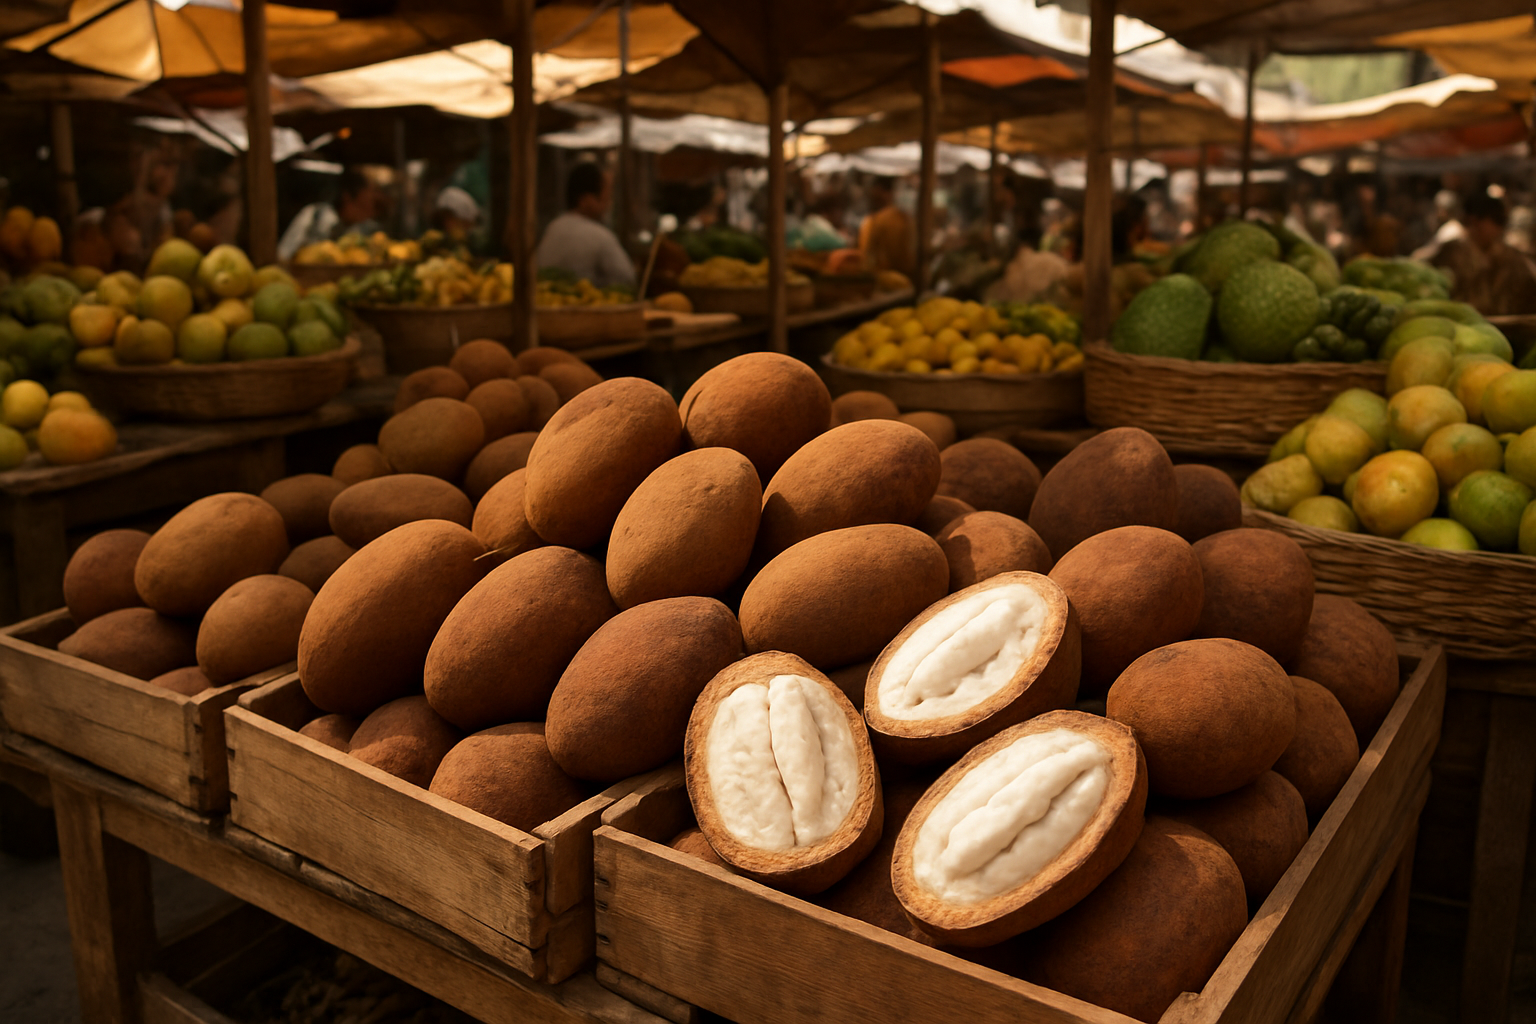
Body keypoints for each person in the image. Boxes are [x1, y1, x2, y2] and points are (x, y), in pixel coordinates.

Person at [1431, 194, 1536, 316]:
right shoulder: (1451, 253)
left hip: (1510, 328)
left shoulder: (1514, 258)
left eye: (1502, 221)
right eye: (1496, 220)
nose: (1500, 227)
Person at [535, 163, 635, 288]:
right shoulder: (599, 236)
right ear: (586, 199)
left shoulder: (552, 227)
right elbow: (628, 279)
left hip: (546, 302)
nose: (609, 205)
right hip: (585, 305)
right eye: (606, 198)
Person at [277, 167, 385, 261]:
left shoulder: (362, 230)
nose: (369, 211)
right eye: (364, 204)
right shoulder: (314, 216)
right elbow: (284, 254)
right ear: (347, 198)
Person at [858, 176, 915, 279]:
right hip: (906, 278)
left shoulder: (873, 221)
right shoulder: (905, 218)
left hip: (882, 279)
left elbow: (866, 256)